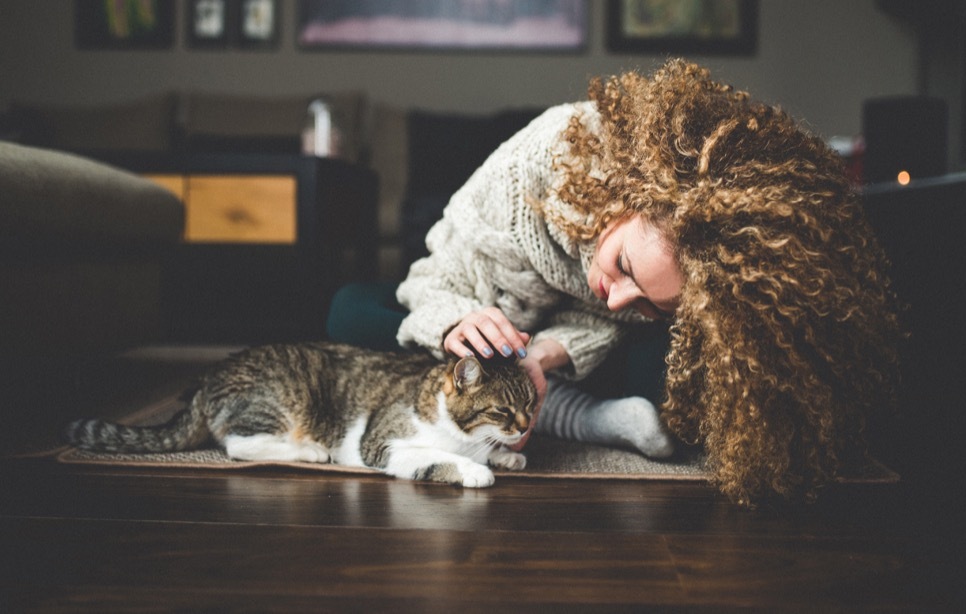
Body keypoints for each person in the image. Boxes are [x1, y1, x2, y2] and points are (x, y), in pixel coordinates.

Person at [329, 59, 901, 505]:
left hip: (555, 356)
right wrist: (460, 323)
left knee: (675, 378)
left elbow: (610, 319)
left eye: (655, 303)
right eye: (625, 267)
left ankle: (573, 403)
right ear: (629, 196)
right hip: (479, 347)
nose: (620, 297)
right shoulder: (533, 167)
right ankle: (587, 417)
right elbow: (430, 281)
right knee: (351, 313)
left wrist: (546, 357)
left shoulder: (666, 286)